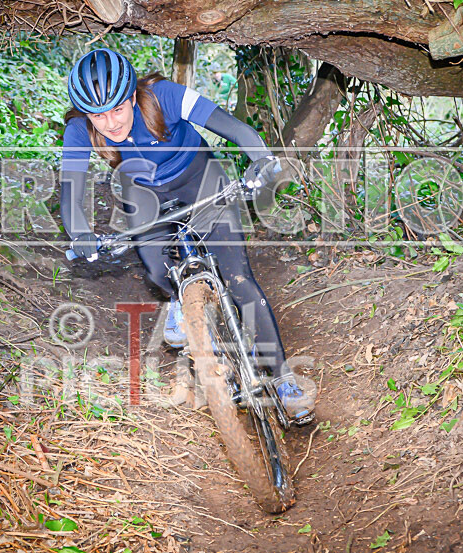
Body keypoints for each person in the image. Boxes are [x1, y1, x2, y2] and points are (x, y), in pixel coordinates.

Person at [60, 48, 316, 421]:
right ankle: (183, 303)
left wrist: (260, 159)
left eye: (117, 109)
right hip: (142, 192)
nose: (110, 123)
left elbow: (234, 127)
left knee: (240, 280)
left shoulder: (166, 96)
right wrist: (81, 234)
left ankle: (282, 378)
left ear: (132, 97)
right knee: (154, 267)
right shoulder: (78, 131)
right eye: (98, 115)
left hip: (201, 180)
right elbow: (71, 193)